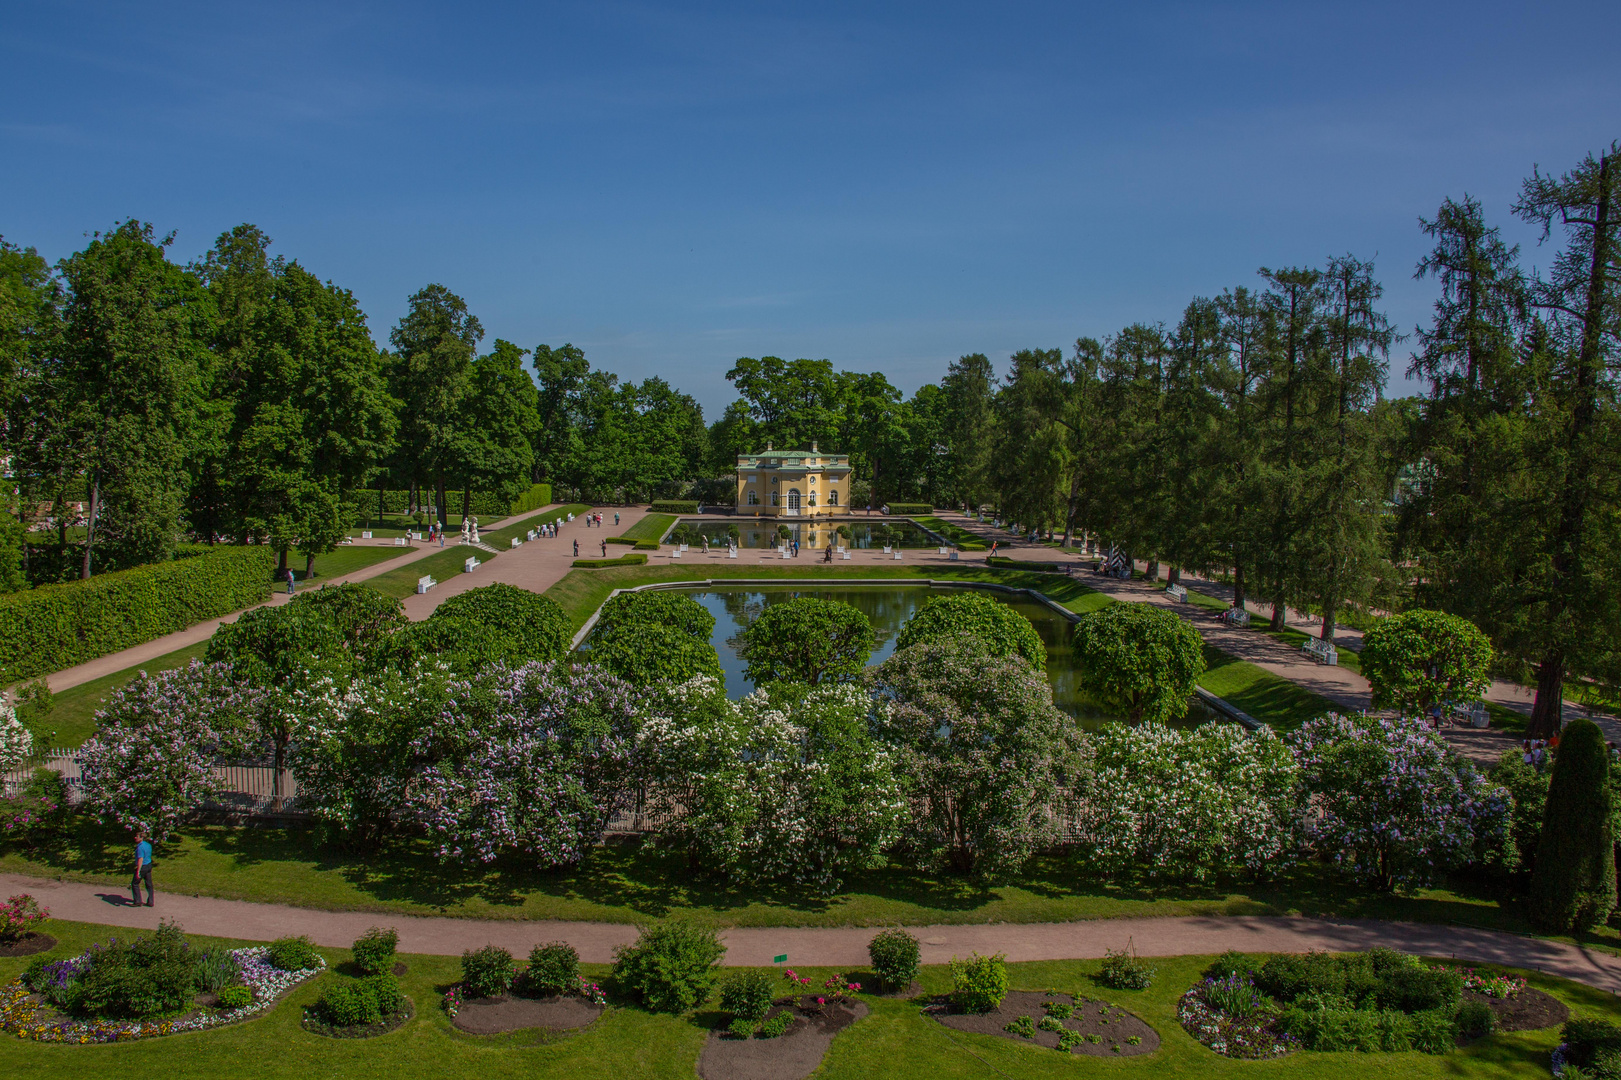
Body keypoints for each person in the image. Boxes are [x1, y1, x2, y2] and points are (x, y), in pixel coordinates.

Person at [132, 829, 154, 907]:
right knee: (149, 884)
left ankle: (137, 901)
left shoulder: (140, 848)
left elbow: (140, 859)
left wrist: (138, 871)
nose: (135, 837)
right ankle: (151, 901)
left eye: (137, 836)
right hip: (149, 865)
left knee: (135, 883)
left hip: (143, 867)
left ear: (141, 838)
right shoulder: (148, 845)